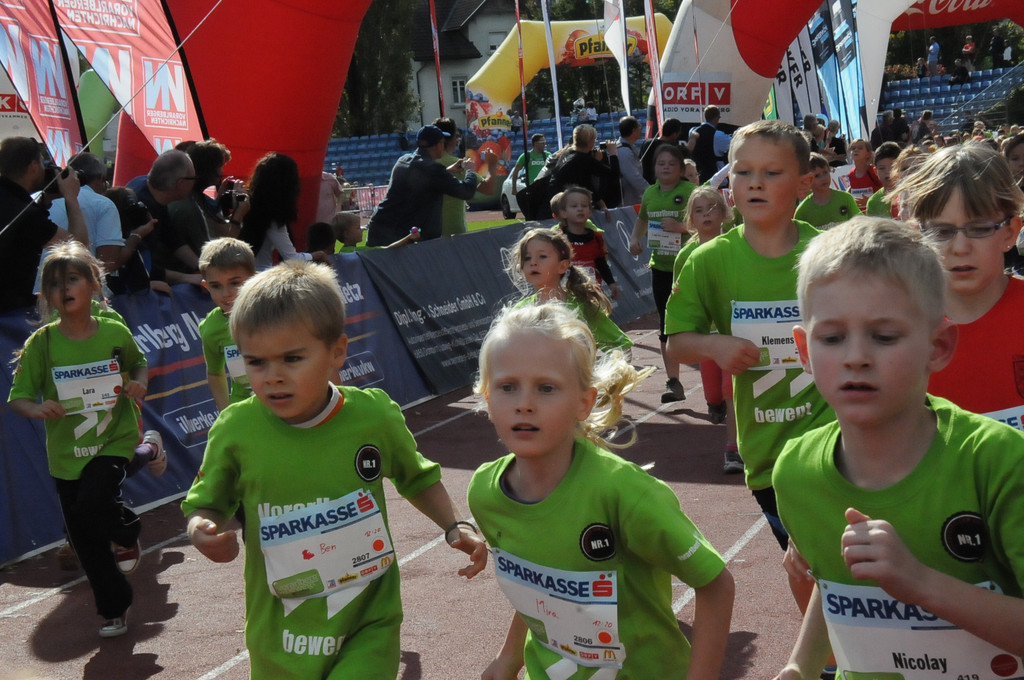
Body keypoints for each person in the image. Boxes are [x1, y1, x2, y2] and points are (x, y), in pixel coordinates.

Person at [181, 260, 487, 679]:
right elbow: (208, 504)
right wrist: (202, 530)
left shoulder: (372, 416)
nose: (272, 377)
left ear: (336, 352)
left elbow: (416, 476)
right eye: (256, 363)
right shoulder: (235, 429)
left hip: (368, 621)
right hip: (280, 632)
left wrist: (454, 525)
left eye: (292, 358)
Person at [772, 217, 1024, 679]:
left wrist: (922, 584)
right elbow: (832, 588)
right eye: (832, 338)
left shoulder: (999, 461)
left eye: (884, 336)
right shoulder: (794, 472)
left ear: (939, 346)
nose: (856, 356)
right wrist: (798, 667)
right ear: (804, 351)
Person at [470, 302, 735, 680]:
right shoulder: (485, 492)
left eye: (546, 388)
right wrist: (508, 659)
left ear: (584, 401)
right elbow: (539, 583)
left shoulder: (623, 493)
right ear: (486, 397)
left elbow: (716, 585)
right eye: (507, 387)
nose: (524, 405)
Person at [664, 119, 834, 556]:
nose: (755, 184)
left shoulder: (830, 255)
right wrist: (713, 346)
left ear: (803, 184)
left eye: (771, 173)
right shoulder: (708, 261)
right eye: (743, 172)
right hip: (765, 454)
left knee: (836, 566)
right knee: (802, 565)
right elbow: (676, 343)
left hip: (837, 441)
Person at [8, 241, 148, 638]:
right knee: (85, 542)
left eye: (71, 279)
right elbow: (18, 399)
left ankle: (125, 530)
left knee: (94, 502)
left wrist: (137, 385)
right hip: (66, 455)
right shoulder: (44, 344)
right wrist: (38, 409)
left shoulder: (114, 332)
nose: (63, 289)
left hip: (112, 440)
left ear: (93, 284)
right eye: (54, 284)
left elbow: (138, 365)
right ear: (46, 296)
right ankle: (114, 610)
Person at [895, 144, 1024, 429]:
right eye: (942, 232)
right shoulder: (896, 331)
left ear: (1011, 232)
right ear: (919, 237)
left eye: (979, 228)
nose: (960, 247)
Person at [674, 186, 739, 467]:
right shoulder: (685, 257)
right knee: (715, 395)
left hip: (734, 332)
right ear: (690, 220)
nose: (706, 214)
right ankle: (715, 406)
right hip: (705, 337)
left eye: (712, 208)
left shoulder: (737, 247)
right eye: (699, 210)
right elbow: (678, 300)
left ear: (725, 214)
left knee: (731, 391)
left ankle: (733, 448)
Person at [629, 144, 697, 403]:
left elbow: (709, 224)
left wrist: (681, 227)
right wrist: (635, 238)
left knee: (700, 325)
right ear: (654, 168)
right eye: (661, 163)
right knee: (666, 325)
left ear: (681, 168)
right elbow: (642, 219)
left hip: (691, 266)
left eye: (671, 163)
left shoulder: (691, 192)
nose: (666, 167)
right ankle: (674, 382)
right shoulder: (649, 194)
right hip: (661, 268)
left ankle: (716, 383)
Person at [365, 125, 496, 246]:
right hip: (397, 235)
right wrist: (471, 171)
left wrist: (447, 171)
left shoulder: (403, 160)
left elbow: (421, 181)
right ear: (438, 145)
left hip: (380, 228)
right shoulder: (433, 169)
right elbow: (466, 192)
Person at [509, 227, 631, 354]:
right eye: (527, 258)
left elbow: (621, 346)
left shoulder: (581, 307)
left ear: (562, 266)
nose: (533, 262)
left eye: (542, 256)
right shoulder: (519, 312)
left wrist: (614, 371)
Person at [0, 137, 87, 312]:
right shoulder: (26, 214)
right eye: (42, 163)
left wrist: (44, 202)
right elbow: (77, 247)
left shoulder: (13, 201)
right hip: (7, 314)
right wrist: (71, 198)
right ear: (33, 167)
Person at [239, 152, 329, 271]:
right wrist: (316, 255)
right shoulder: (273, 216)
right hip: (259, 274)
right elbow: (291, 258)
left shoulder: (246, 205)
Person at [198, 237, 257, 412]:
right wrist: (226, 413)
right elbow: (215, 373)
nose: (226, 293)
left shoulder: (277, 311)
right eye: (216, 286)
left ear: (254, 278)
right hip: (245, 410)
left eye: (235, 283)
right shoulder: (210, 328)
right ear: (206, 286)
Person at [126, 149, 201, 285]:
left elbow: (171, 236)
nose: (195, 183)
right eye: (193, 179)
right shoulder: (140, 209)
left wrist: (201, 267)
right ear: (181, 183)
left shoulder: (149, 188)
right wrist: (187, 278)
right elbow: (139, 265)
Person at [553, 186, 620, 299]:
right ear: (563, 212)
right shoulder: (557, 239)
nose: (580, 209)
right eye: (574, 206)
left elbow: (601, 263)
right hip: (567, 295)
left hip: (592, 293)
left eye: (584, 206)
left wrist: (611, 283)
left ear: (590, 212)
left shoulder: (596, 237)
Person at [548, 124, 620, 216]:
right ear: (590, 142)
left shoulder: (567, 153)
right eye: (594, 140)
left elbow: (585, 182)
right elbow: (614, 175)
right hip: (565, 206)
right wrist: (613, 154)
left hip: (557, 201)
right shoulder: (583, 160)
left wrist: (602, 205)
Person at [794, 153, 861, 229]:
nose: (823, 178)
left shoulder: (846, 198)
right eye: (817, 176)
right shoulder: (803, 210)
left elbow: (860, 224)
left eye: (825, 172)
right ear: (807, 180)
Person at [688, 105, 732, 184]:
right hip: (714, 179)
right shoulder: (717, 135)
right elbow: (733, 143)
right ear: (716, 118)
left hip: (697, 177)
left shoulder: (692, 131)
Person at [616, 115, 649, 206]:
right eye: (639, 127)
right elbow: (633, 177)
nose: (640, 130)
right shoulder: (624, 151)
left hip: (632, 198)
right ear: (633, 130)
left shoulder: (628, 148)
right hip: (627, 201)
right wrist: (650, 190)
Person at [639, 118, 684, 184]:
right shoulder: (669, 148)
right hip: (660, 184)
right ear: (674, 134)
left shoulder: (647, 143)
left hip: (644, 182)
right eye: (679, 132)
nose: (679, 134)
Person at [864, 142, 901, 219]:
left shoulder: (910, 195)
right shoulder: (873, 202)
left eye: (892, 167)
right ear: (875, 171)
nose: (887, 171)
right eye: (882, 168)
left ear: (900, 167)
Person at [845, 139, 883, 211]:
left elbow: (884, 191)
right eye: (853, 148)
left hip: (875, 212)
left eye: (860, 148)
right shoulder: (851, 173)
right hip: (858, 214)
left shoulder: (873, 171)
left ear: (868, 154)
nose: (856, 150)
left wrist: (869, 201)